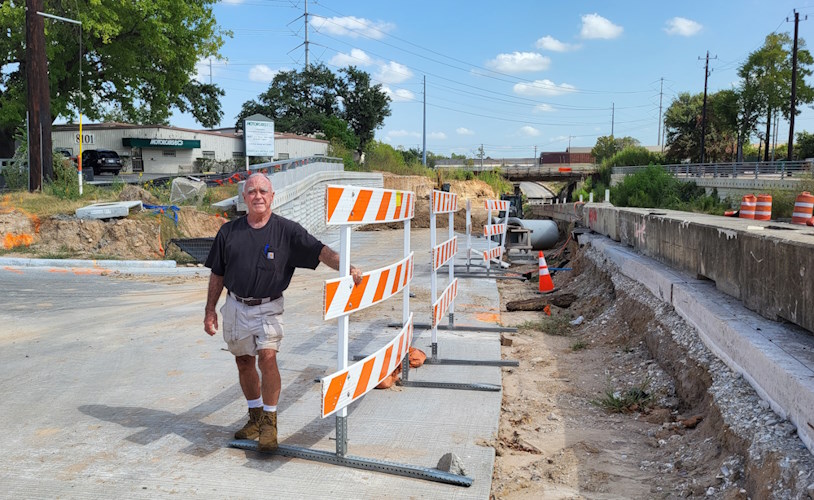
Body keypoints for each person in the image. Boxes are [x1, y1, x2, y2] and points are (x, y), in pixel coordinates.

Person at [204, 173, 362, 451]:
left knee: (267, 358)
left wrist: (346, 266)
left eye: (263, 191)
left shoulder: (287, 231)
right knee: (243, 362)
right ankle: (254, 417)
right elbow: (217, 273)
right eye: (251, 191)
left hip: (268, 307)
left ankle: (270, 422)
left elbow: (320, 251)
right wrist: (210, 310)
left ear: (272, 196)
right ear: (244, 198)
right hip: (235, 306)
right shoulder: (228, 232)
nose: (257, 196)